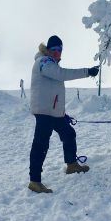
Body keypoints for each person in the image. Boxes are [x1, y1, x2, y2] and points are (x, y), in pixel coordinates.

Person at [28, 35, 99, 193]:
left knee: (68, 134)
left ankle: (71, 165)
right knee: (41, 145)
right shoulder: (44, 62)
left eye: (60, 50)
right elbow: (62, 75)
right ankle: (34, 181)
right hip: (44, 113)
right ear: (47, 50)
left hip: (53, 113)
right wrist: (88, 71)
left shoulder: (51, 64)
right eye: (54, 50)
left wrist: (62, 113)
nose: (57, 53)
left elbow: (54, 92)